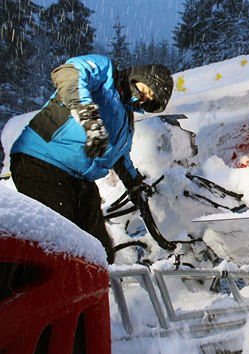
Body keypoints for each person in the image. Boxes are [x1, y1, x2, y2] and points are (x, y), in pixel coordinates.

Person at [10, 54, 174, 264]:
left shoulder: (125, 119)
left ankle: (91, 292)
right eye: (146, 90)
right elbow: (67, 74)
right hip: (39, 161)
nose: (142, 98)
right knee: (61, 241)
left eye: (149, 99)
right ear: (141, 75)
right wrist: (89, 120)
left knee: (98, 249)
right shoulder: (105, 72)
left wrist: (135, 185)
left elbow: (120, 157)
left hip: (76, 177)